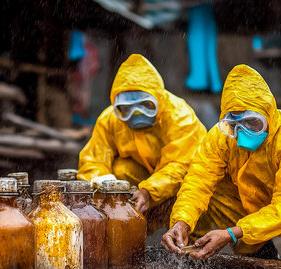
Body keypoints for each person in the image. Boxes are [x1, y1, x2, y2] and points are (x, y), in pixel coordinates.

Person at [162, 64, 281, 264]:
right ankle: (257, 250)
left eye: (252, 123)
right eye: (233, 125)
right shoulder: (219, 138)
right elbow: (197, 183)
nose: (242, 133)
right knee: (213, 190)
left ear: (268, 114)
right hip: (257, 196)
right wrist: (181, 222)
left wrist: (231, 234)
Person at [77, 54, 207, 231]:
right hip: (144, 185)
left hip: (177, 186)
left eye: (145, 105)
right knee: (120, 171)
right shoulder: (110, 119)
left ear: (158, 99)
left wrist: (149, 192)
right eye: (126, 108)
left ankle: (192, 244)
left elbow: (181, 166)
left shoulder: (180, 116)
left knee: (197, 189)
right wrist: (109, 187)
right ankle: (127, 231)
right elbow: (92, 160)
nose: (136, 114)